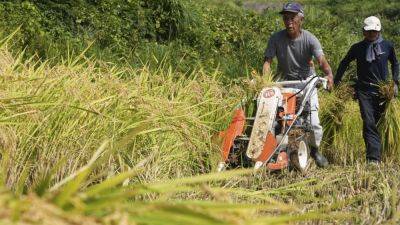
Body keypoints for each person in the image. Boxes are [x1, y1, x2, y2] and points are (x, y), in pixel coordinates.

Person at [263, 2, 333, 168]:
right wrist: (265, 81)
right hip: (284, 82)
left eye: (292, 18)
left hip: (306, 82)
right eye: (286, 18)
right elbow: (267, 62)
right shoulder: (276, 38)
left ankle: (315, 150)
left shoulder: (310, 39)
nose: (289, 21)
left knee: (313, 121)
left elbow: (321, 60)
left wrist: (328, 74)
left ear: (301, 19)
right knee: (275, 118)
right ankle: (272, 150)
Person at [334, 16, 399, 165]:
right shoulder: (357, 48)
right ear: (363, 32)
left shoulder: (387, 46)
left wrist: (395, 82)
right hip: (364, 90)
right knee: (368, 122)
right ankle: (373, 158)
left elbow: (395, 63)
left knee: (380, 122)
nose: (371, 34)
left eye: (374, 31)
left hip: (384, 92)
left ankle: (382, 152)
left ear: (379, 31)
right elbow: (344, 62)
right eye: (368, 31)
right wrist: (337, 81)